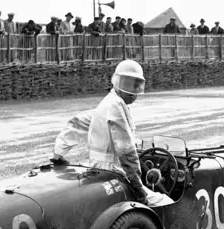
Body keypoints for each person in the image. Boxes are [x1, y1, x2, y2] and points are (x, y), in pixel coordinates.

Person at [51, 60, 171, 207]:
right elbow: (127, 152)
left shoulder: (108, 102)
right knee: (165, 201)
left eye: (136, 85)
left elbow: (77, 122)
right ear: (118, 82)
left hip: (97, 169)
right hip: (115, 171)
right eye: (128, 84)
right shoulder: (116, 106)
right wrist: (139, 188)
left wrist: (58, 153)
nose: (133, 91)